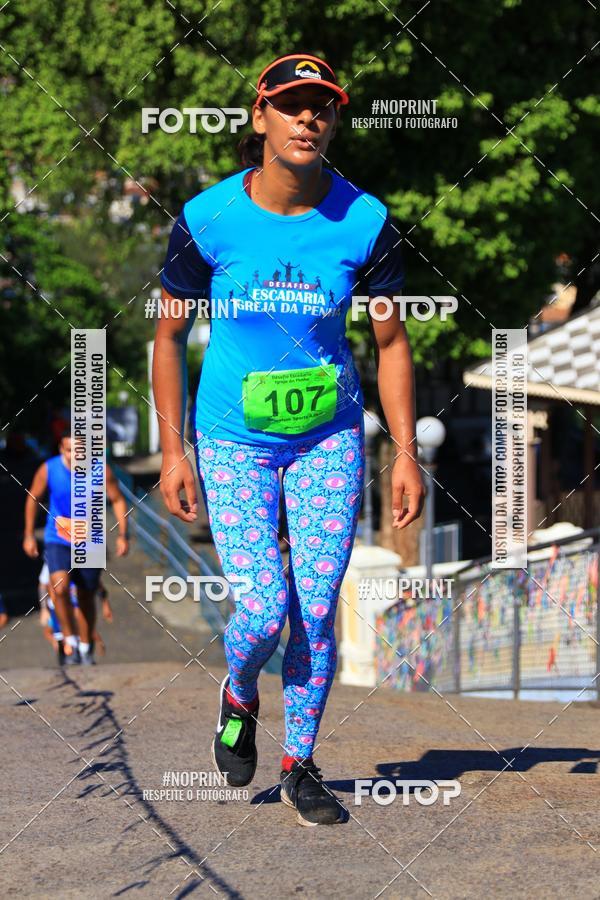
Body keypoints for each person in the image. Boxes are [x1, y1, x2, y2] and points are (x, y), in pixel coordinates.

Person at [154, 52, 424, 826]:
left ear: (335, 121)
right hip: (233, 441)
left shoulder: (364, 220)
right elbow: (167, 340)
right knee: (265, 608)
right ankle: (238, 692)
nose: (310, 119)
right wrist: (175, 452)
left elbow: (392, 344)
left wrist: (405, 451)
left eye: (325, 108)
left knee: (313, 604)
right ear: (259, 117)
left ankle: (301, 762)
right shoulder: (207, 219)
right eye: (294, 105)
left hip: (327, 441)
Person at [23, 431, 129, 665]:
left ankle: (85, 645)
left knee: (85, 595)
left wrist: (123, 535)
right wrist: (29, 534)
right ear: (62, 450)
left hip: (91, 539)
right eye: (70, 450)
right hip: (58, 537)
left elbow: (118, 499)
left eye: (80, 450)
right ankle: (69, 641)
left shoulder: (100, 471)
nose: (75, 455)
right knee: (59, 587)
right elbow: (33, 497)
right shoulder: (49, 469)